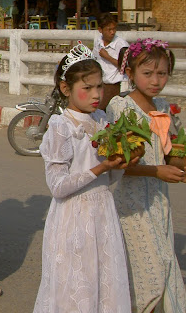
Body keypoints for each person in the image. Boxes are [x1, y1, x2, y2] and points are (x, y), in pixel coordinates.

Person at [34, 42, 134, 312]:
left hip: (103, 211)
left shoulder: (101, 119)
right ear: (66, 89)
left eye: (99, 87)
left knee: (103, 283)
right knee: (77, 285)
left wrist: (121, 163)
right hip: (73, 216)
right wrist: (100, 168)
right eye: (87, 88)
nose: (96, 94)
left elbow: (109, 179)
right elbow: (58, 186)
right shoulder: (61, 127)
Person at [108, 39, 186, 312]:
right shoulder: (121, 107)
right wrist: (157, 171)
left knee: (165, 265)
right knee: (148, 275)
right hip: (132, 204)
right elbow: (118, 163)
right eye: (148, 73)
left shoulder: (163, 107)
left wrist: (179, 166)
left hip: (158, 201)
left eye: (162, 73)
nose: (156, 80)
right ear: (130, 73)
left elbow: (170, 154)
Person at [93, 12, 128, 110]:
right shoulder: (98, 41)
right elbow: (94, 58)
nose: (112, 32)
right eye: (109, 30)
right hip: (100, 83)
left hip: (114, 86)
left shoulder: (121, 45)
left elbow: (125, 67)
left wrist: (108, 57)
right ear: (100, 30)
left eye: (114, 29)